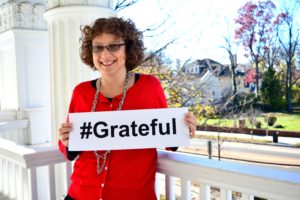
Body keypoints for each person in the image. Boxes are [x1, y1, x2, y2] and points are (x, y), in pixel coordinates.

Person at [58, 17, 197, 200]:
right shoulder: (81, 92)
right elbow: (69, 148)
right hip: (81, 194)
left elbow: (170, 138)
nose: (105, 55)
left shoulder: (150, 87)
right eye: (98, 47)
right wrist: (65, 140)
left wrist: (186, 127)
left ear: (128, 49)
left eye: (114, 46)